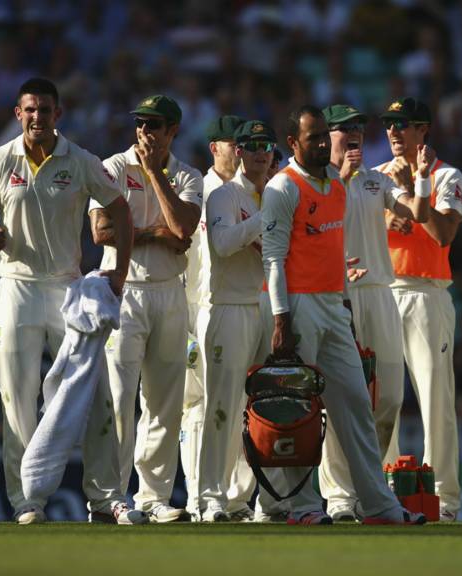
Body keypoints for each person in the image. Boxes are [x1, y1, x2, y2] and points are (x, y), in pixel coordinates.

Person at [0, 78, 137, 525]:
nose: (37, 117)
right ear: (17, 113)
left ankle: (106, 496)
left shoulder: (80, 161)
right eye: (30, 110)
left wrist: (118, 271)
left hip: (67, 286)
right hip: (16, 288)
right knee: (16, 397)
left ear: (57, 114)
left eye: (45, 110)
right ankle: (27, 501)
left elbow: (119, 209)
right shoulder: (0, 160)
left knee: (97, 392)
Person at [261, 104, 425, 525]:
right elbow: (274, 260)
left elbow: (336, 247)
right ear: (293, 143)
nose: (319, 143)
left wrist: (345, 301)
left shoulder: (336, 181)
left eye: (322, 136)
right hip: (296, 306)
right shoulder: (283, 188)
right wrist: (282, 319)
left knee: (355, 402)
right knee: (297, 410)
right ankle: (301, 507)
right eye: (312, 137)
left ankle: (379, 505)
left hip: (334, 303)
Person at [90, 95, 203, 522]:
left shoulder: (187, 175)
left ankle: (153, 498)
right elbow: (102, 232)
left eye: (155, 125)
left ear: (173, 131)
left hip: (170, 291)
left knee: (164, 400)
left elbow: (185, 228)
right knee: (119, 399)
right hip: (123, 291)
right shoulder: (113, 168)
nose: (145, 132)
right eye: (140, 124)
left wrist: (155, 174)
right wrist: (158, 233)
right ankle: (111, 496)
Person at [317, 103, 432, 522]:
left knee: (388, 399)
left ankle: (370, 487)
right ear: (326, 136)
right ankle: (339, 496)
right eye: (344, 130)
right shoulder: (319, 183)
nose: (354, 135)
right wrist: (342, 179)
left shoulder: (375, 181)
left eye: (358, 129)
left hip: (381, 293)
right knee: (341, 398)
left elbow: (418, 216)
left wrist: (419, 178)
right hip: (336, 297)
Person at [374, 97, 462, 522]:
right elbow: (350, 235)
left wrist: (412, 193)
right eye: (390, 125)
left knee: (435, 398)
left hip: (427, 292)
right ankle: (379, 493)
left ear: (423, 130)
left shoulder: (446, 175)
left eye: (404, 125)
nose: (394, 132)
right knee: (381, 401)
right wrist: (383, 222)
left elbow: (444, 234)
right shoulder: (373, 178)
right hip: (381, 291)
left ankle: (444, 500)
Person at [196, 119, 276, 522]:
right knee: (222, 405)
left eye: (266, 146)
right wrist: (265, 219)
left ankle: (239, 498)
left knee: (257, 408)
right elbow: (224, 245)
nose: (260, 153)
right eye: (252, 145)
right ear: (239, 151)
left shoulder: (279, 193)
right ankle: (209, 496)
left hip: (265, 306)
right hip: (227, 306)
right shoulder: (224, 195)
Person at [181, 115, 244, 521]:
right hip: (194, 309)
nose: (239, 150)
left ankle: (234, 497)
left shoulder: (252, 192)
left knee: (235, 405)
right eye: (230, 143)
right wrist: (185, 319)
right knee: (195, 405)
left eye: (244, 144)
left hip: (233, 307)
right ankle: (195, 496)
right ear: (214, 148)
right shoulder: (198, 190)